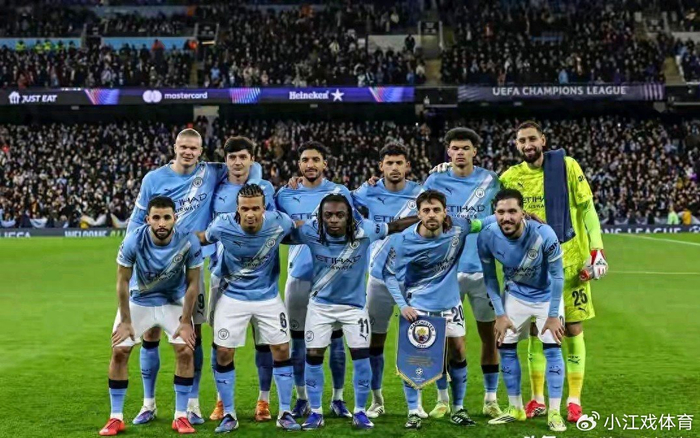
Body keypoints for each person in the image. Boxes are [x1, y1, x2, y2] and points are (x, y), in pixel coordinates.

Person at [126, 128, 262, 425]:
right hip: (154, 266)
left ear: (201, 152)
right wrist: (132, 256)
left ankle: (193, 404)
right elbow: (137, 221)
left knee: (193, 335)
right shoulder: (153, 179)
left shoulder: (210, 172)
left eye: (193, 148)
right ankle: (148, 404)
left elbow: (250, 166)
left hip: (191, 265)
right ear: (174, 147)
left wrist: (261, 177)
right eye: (183, 146)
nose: (188, 152)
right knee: (150, 334)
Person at [500, 121, 607, 422]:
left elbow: (587, 208)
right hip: (532, 268)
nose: (527, 145)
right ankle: (537, 399)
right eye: (522, 140)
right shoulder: (510, 177)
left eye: (532, 139)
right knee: (537, 331)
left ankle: (573, 400)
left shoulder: (566, 166)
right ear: (516, 144)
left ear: (543, 140)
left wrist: (597, 250)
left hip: (570, 262)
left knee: (572, 329)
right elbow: (489, 203)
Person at [289, 193, 418, 430]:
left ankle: (359, 412)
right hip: (320, 307)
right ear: (320, 216)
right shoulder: (309, 231)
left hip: (354, 308)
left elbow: (395, 226)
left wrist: (423, 216)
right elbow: (281, 235)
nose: (333, 220)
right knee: (313, 356)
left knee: (361, 357)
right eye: (328, 215)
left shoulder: (366, 230)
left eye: (340, 215)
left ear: (349, 216)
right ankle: (316, 412)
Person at [384, 190, 493, 429]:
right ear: (418, 214)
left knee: (459, 352)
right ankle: (413, 412)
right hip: (419, 306)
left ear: (445, 213)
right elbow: (389, 274)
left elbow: (486, 221)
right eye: (426, 210)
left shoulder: (459, 227)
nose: (431, 214)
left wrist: (524, 215)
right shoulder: (404, 240)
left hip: (451, 305)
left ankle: (458, 408)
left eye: (436, 210)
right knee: (415, 359)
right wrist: (403, 306)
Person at [197, 184, 300, 432]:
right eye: (245, 209)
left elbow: (298, 228)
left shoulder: (279, 221)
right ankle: (228, 413)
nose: (250, 214)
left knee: (282, 349)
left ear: (264, 208)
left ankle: (285, 412)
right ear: (237, 209)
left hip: (268, 297)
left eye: (255, 208)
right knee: (223, 352)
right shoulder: (222, 225)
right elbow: (203, 238)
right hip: (232, 296)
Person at [99, 196, 202, 436]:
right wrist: (125, 321)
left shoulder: (189, 240)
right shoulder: (133, 239)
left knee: (185, 350)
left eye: (166, 217)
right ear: (148, 219)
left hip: (173, 301)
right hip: (140, 301)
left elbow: (193, 284)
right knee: (119, 350)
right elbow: (122, 281)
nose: (161, 223)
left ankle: (181, 416)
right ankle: (115, 417)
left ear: (175, 218)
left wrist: (186, 321)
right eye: (156, 218)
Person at [423, 128, 502, 418]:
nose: (459, 152)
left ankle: (490, 398)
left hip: (483, 269)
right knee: (446, 340)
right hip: (446, 273)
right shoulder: (435, 180)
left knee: (490, 336)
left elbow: (504, 212)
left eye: (465, 148)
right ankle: (443, 399)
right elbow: (424, 214)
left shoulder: (491, 180)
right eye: (455, 148)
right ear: (448, 152)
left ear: (474, 151)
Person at [274, 142, 354, 418]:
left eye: (315, 159)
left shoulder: (340, 193)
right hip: (298, 276)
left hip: (332, 278)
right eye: (305, 160)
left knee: (336, 341)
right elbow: (275, 228)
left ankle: (338, 398)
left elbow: (353, 227)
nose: (310, 164)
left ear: (324, 164)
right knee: (297, 341)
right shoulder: (285, 194)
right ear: (299, 165)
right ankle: (302, 398)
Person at [477, 189, 567, 432]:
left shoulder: (544, 234)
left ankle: (554, 412)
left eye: (512, 211)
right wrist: (500, 314)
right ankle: (515, 408)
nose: (506, 217)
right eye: (501, 212)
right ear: (494, 213)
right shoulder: (487, 235)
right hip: (515, 295)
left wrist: (553, 315)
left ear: (522, 212)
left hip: (546, 296)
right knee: (505, 348)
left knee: (552, 348)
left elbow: (558, 276)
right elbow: (490, 278)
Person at [351, 142, 425, 418]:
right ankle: (377, 399)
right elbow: (341, 200)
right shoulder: (368, 191)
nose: (394, 168)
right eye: (389, 163)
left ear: (407, 166)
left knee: (416, 341)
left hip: (412, 279)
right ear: (381, 166)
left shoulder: (420, 193)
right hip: (378, 278)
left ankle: (416, 403)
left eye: (399, 163)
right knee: (375, 341)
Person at [207, 137, 276, 423]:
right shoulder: (215, 189)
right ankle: (222, 400)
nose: (237, 162)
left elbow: (276, 223)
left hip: (261, 278)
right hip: (221, 277)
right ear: (225, 161)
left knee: (264, 343)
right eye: (232, 157)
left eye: (243, 157)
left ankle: (264, 400)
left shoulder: (266, 189)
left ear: (252, 159)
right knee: (221, 344)